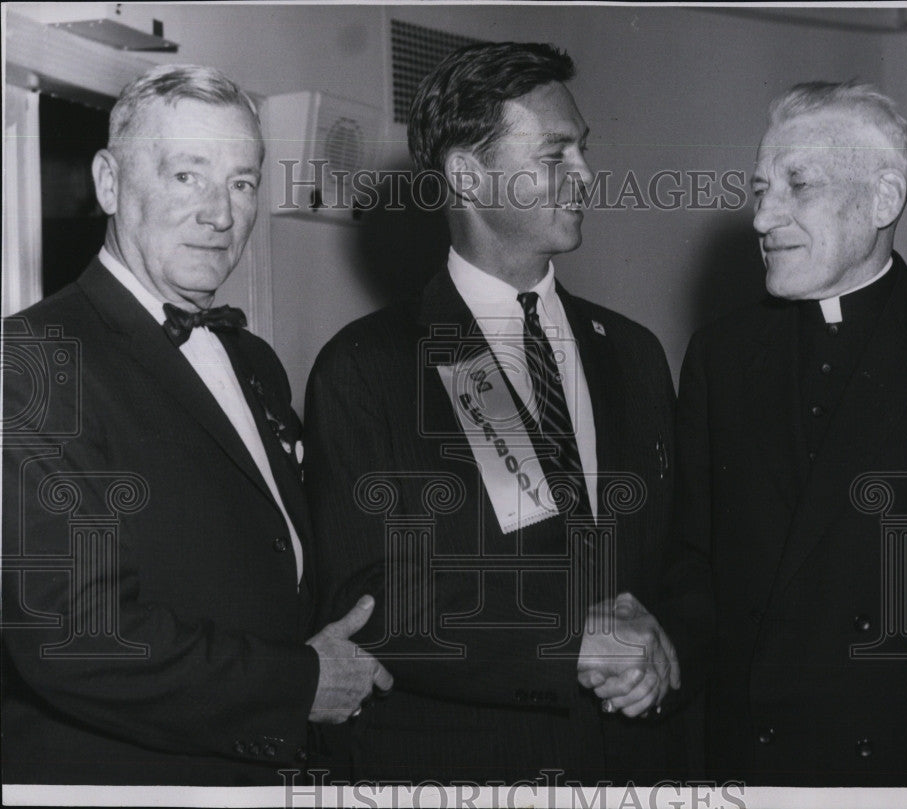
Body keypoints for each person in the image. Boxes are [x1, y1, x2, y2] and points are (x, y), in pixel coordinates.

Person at [304, 42, 701, 784]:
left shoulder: (636, 353)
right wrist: (566, 642)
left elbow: (682, 559)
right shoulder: (369, 366)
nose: (585, 174)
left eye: (583, 150)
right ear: (466, 173)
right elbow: (377, 598)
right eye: (555, 153)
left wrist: (661, 650)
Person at [1, 63, 391, 786]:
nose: (220, 214)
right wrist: (299, 683)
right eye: (188, 176)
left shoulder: (255, 361)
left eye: (242, 183)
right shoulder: (31, 360)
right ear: (109, 182)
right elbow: (75, 638)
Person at [674, 80, 907, 786]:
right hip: (756, 761)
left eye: (797, 185)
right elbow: (692, 561)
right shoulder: (719, 355)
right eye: (760, 190)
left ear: (883, 200)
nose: (763, 217)